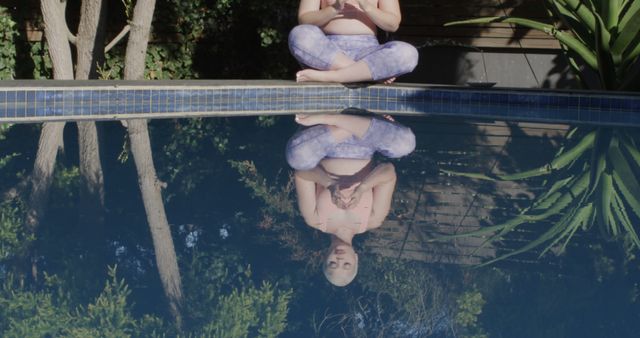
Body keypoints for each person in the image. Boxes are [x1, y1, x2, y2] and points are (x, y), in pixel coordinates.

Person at [286, 113, 415, 286]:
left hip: (327, 143)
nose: (339, 259)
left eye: (332, 263)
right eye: (346, 264)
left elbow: (302, 172)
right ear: (356, 258)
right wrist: (363, 187)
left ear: (324, 256)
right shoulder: (373, 219)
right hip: (365, 144)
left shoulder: (314, 219)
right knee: (405, 144)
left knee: (297, 156)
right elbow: (388, 171)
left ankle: (344, 121)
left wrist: (329, 184)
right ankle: (352, 121)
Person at [288, 0, 419, 83]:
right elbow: (305, 19)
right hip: (330, 52)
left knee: (408, 53)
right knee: (300, 34)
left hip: (368, 53)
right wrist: (335, 7)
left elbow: (392, 24)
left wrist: (365, 5)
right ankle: (363, 74)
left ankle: (332, 77)